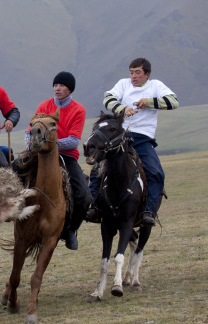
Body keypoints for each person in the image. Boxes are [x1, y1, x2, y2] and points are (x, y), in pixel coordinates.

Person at [86, 57, 179, 226]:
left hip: (143, 139)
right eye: (131, 72)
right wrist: (122, 108)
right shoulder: (123, 84)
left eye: (137, 73)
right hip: (120, 138)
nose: (133, 76)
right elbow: (108, 99)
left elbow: (173, 102)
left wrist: (149, 102)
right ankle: (94, 207)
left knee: (156, 173)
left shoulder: (155, 86)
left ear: (147, 74)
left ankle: (148, 211)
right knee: (97, 168)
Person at [25, 71, 92, 250]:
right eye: (55, 85)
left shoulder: (79, 109)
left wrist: (49, 143)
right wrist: (31, 144)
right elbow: (29, 132)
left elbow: (73, 140)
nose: (57, 88)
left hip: (67, 156)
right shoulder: (44, 105)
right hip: (39, 154)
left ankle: (70, 229)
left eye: (61, 85)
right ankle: (11, 212)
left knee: (84, 196)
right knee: (16, 170)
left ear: (70, 89)